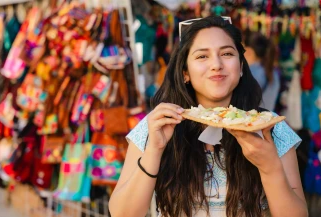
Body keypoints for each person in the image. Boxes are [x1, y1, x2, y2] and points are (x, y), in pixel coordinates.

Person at [109, 16, 307, 217]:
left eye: (227, 53)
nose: (216, 64)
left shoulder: (270, 128)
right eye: (202, 56)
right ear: (185, 72)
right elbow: (123, 214)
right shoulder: (157, 125)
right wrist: (154, 150)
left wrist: (270, 167)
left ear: (240, 67)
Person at [243, 31, 280, 112]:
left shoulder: (253, 73)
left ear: (248, 51)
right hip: (266, 120)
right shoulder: (272, 71)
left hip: (253, 121)